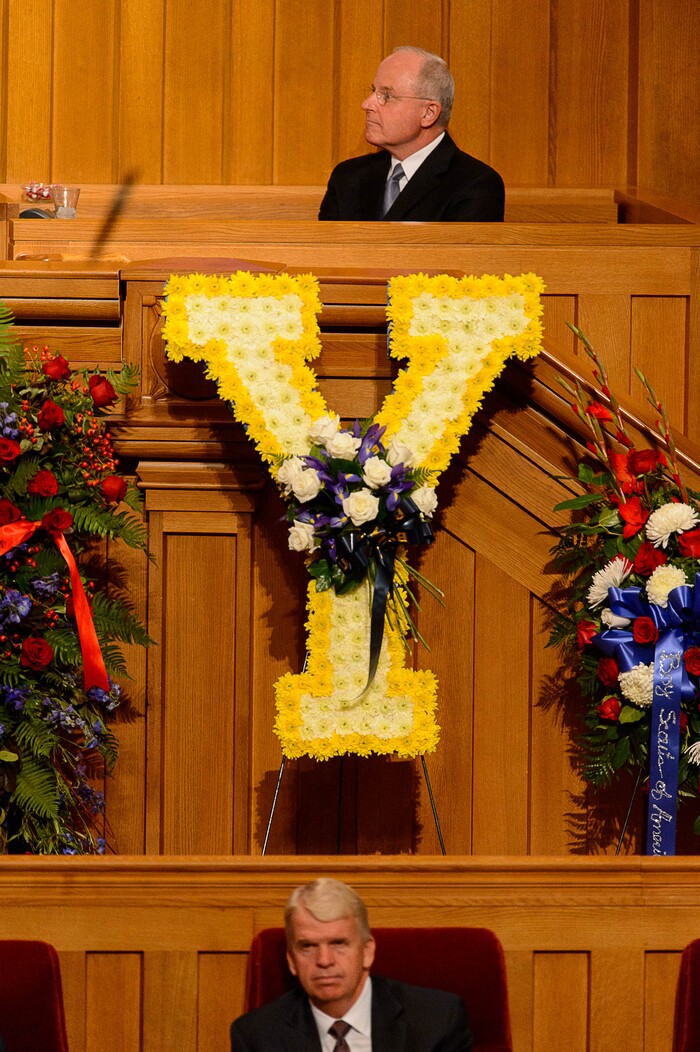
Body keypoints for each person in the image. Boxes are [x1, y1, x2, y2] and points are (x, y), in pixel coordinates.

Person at [230, 877, 473, 1051]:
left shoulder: (437, 1021)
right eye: (308, 946)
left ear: (367, 951)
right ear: (291, 960)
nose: (324, 961)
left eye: (338, 943)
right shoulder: (257, 1037)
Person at [318, 46, 504, 223]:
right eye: (374, 91)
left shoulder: (475, 185)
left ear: (429, 113)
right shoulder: (348, 178)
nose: (366, 104)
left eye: (387, 95)